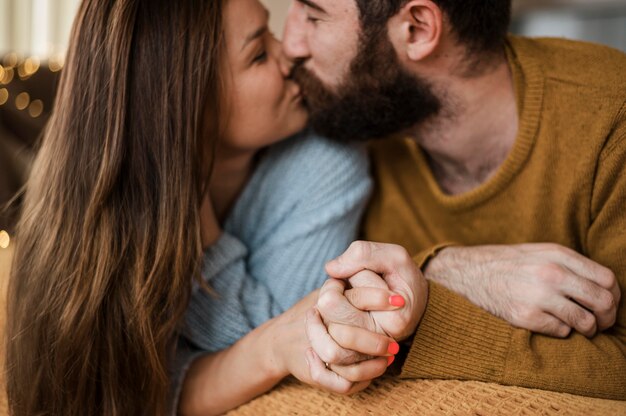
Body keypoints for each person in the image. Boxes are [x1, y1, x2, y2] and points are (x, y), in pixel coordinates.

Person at [5, 0, 402, 415]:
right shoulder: (86, 213)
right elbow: (102, 391)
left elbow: (291, 349)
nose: (290, 54)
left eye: (270, 31)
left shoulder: (327, 160)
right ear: (187, 106)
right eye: (259, 54)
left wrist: (203, 235)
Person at [280, 0, 626, 400]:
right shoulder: (346, 126)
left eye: (313, 16)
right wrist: (444, 270)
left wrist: (428, 311)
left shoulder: (612, 124)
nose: (290, 44)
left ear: (417, 28)